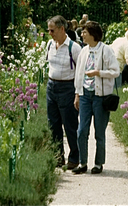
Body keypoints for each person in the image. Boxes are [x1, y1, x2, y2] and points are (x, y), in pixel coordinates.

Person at [72, 21, 119, 174]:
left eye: (84, 32)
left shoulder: (106, 50)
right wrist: (77, 95)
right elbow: (79, 74)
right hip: (85, 95)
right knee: (82, 130)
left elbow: (115, 71)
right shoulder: (83, 51)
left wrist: (98, 73)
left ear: (92, 34)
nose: (82, 34)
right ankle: (83, 162)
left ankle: (98, 163)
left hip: (100, 97)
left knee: (99, 132)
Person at [46, 15, 81, 170]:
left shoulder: (74, 48)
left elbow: (81, 73)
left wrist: (77, 94)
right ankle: (58, 156)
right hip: (51, 87)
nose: (50, 33)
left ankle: (74, 158)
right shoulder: (49, 45)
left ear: (62, 29)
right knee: (53, 124)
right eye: (49, 30)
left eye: (52, 30)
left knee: (70, 124)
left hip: (68, 88)